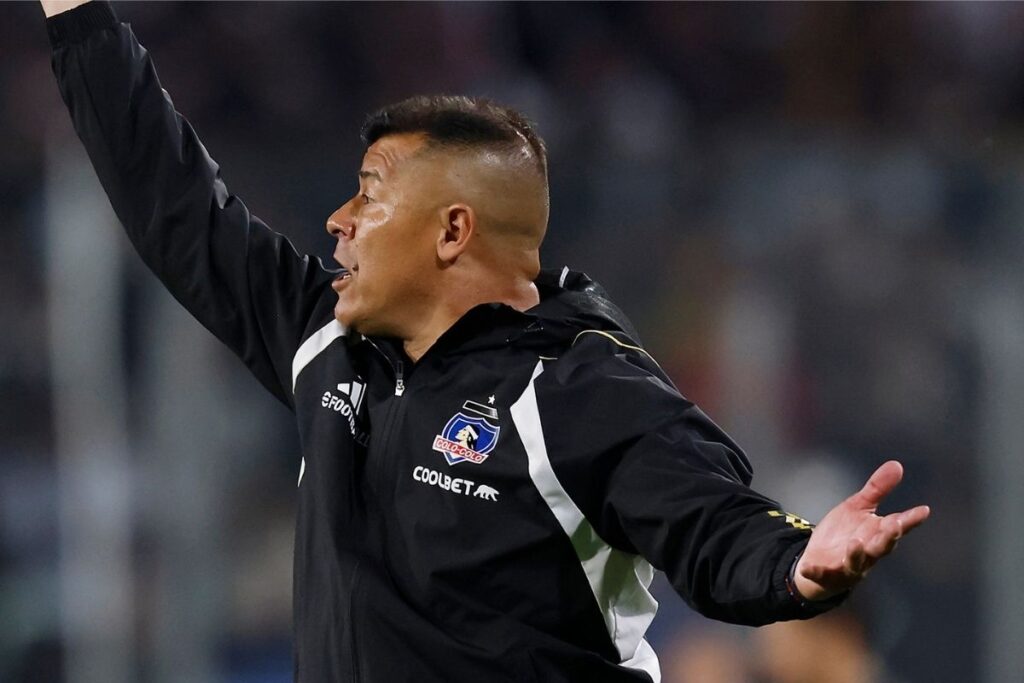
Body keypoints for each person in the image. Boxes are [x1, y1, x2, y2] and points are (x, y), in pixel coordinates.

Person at [41, 1, 931, 681]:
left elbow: (712, 522)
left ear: (452, 230)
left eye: (370, 194)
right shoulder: (328, 344)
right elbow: (176, 203)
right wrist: (77, 15)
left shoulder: (581, 389)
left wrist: (798, 562)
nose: (338, 220)